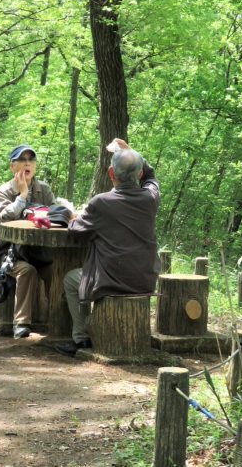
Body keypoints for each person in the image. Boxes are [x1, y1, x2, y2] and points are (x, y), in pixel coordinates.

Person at [56, 138, 160, 356]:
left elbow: (76, 231)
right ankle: (87, 333)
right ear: (139, 174)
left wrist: (71, 214)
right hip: (145, 280)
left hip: (112, 282)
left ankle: (81, 338)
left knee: (71, 279)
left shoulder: (101, 203)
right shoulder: (150, 198)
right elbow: (151, 177)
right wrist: (132, 152)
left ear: (111, 174)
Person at [0, 145, 66, 339]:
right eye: (22, 159)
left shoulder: (44, 189)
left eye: (31, 160)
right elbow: (4, 221)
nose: (27, 163)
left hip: (39, 252)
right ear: (12, 166)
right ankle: (21, 323)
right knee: (27, 271)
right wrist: (22, 196)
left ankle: (60, 321)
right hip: (9, 254)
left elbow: (54, 215)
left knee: (55, 272)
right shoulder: (4, 191)